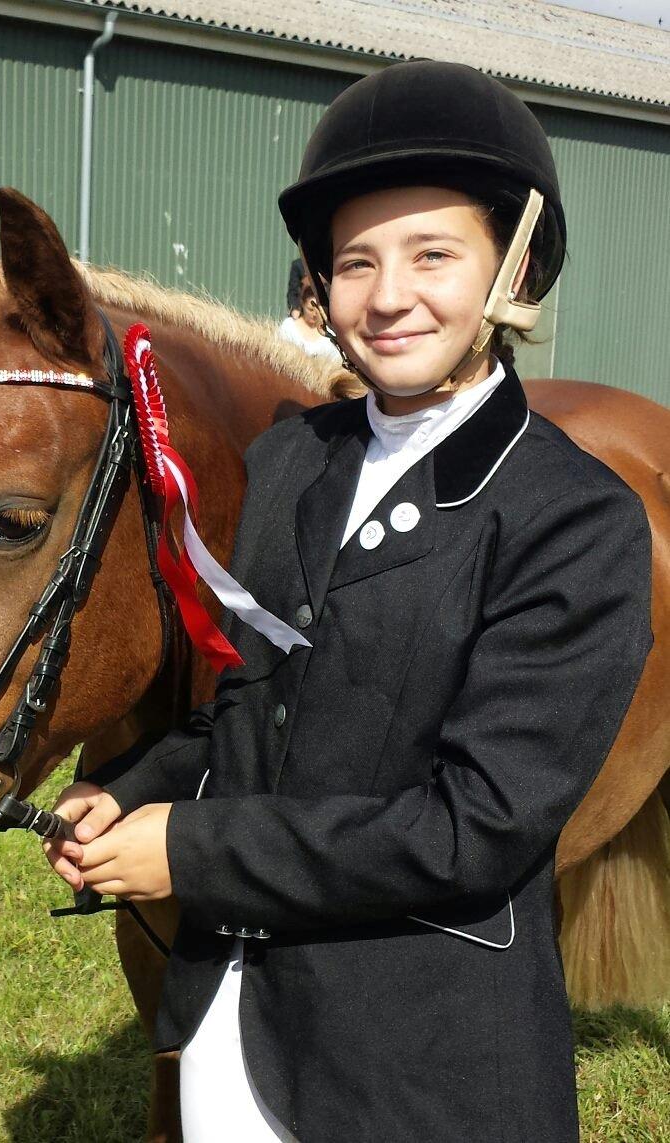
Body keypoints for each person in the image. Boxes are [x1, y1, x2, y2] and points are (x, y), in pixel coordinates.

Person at [45, 60, 652, 1141]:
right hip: (228, 1018)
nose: (387, 296)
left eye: (433, 254)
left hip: (415, 1060)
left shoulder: (574, 520)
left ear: (515, 265)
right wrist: (137, 787)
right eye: (356, 260)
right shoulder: (291, 460)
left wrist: (186, 853)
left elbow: (472, 830)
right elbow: (253, 696)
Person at [277, 272, 343, 364]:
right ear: (302, 304)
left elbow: (336, 362)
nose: (315, 314)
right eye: (310, 309)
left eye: (318, 310)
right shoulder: (289, 327)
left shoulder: (329, 332)